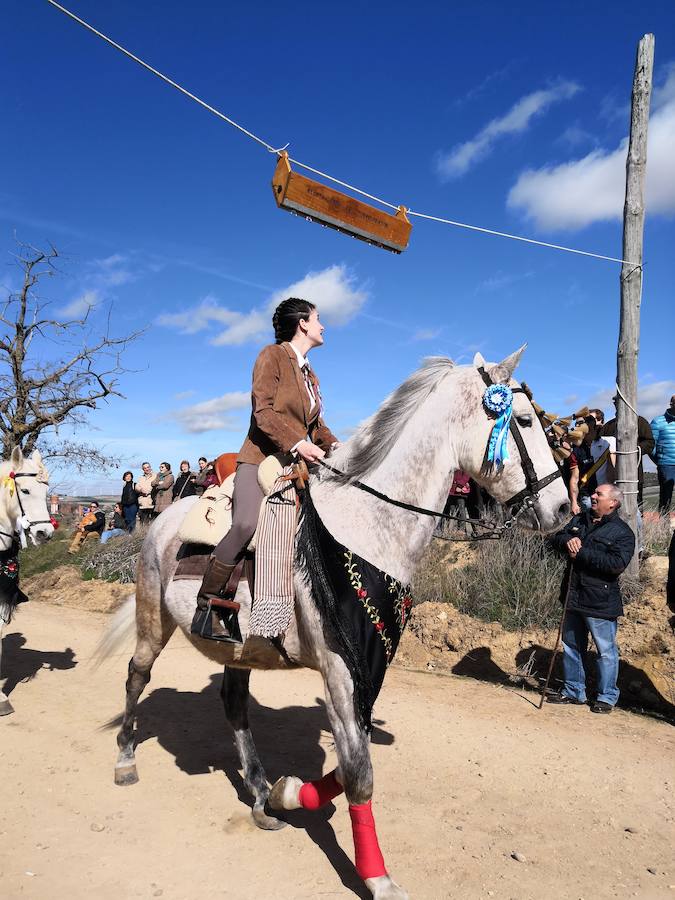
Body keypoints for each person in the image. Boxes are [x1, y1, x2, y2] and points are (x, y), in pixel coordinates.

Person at [195, 296, 338, 621]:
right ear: (302, 323)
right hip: (259, 459)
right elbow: (263, 412)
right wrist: (298, 443)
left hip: (294, 467)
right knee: (245, 523)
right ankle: (207, 603)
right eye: (317, 318)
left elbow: (317, 426)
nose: (322, 325)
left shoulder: (310, 375)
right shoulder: (272, 356)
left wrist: (336, 445)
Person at [547, 484, 635, 713]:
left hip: (600, 601)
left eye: (599, 495)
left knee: (605, 651)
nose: (593, 497)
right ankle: (574, 691)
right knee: (572, 646)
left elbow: (616, 565)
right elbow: (555, 539)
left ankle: (606, 697)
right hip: (572, 595)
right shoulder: (579, 520)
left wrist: (582, 552)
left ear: (613, 503)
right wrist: (566, 541)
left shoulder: (623, 532)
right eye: (594, 493)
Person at [602, 400, 654, 507]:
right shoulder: (608, 426)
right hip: (612, 475)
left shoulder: (640, 422)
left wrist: (631, 451)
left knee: (636, 506)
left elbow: (649, 442)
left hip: (634, 473)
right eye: (617, 403)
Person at [650, 395, 675, 514]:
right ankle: (663, 528)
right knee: (666, 498)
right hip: (666, 465)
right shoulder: (658, 421)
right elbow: (651, 445)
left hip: (666, 464)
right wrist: (660, 460)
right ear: (671, 404)